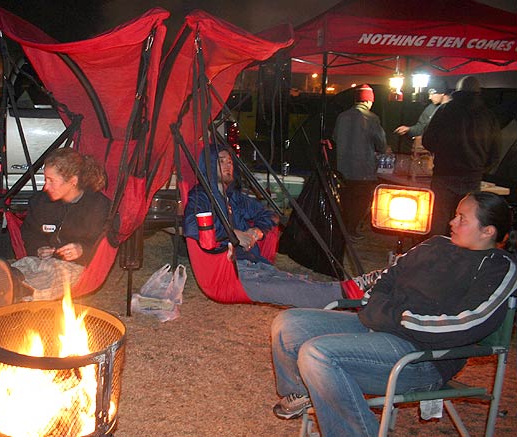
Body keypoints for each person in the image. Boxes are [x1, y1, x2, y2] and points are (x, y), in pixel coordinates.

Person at [270, 191, 517, 437]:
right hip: (381, 327)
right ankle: (307, 392)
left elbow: (468, 324)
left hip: (423, 357)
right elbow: (387, 278)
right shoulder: (436, 244)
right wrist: (377, 308)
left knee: (317, 354)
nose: (452, 222)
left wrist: (394, 317)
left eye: (462, 219)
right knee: (289, 324)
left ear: (488, 231)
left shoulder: (498, 268)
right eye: (455, 216)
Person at [183, 145, 367, 308]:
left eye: (230, 161)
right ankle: (352, 291)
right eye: (221, 161)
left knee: (296, 281)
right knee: (289, 289)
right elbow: (192, 225)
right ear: (208, 166)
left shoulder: (235, 197)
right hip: (231, 271)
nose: (228, 165)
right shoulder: (201, 197)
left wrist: (257, 232)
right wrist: (233, 234)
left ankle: (359, 287)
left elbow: (268, 215)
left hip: (254, 263)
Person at [0, 147, 111, 304]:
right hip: (40, 259)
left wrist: (82, 249)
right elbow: (30, 232)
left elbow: (103, 243)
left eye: (51, 180)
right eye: (45, 179)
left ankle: (13, 290)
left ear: (73, 181)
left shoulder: (97, 206)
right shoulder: (41, 202)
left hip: (73, 266)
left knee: (50, 278)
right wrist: (39, 247)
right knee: (23, 266)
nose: (46, 186)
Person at [423, 76, 501, 235]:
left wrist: (441, 154)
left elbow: (428, 140)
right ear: (479, 92)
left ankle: (436, 253)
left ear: (457, 91)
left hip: (444, 175)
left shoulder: (445, 110)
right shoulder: (488, 116)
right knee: (465, 221)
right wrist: (479, 169)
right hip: (471, 178)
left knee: (438, 220)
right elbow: (495, 152)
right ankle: (460, 255)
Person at [332, 84, 388, 241]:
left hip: (343, 168)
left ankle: (343, 229)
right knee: (361, 201)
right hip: (363, 169)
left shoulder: (342, 116)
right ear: (369, 101)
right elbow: (381, 145)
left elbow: (335, 138)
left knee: (346, 199)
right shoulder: (372, 118)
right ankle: (351, 230)